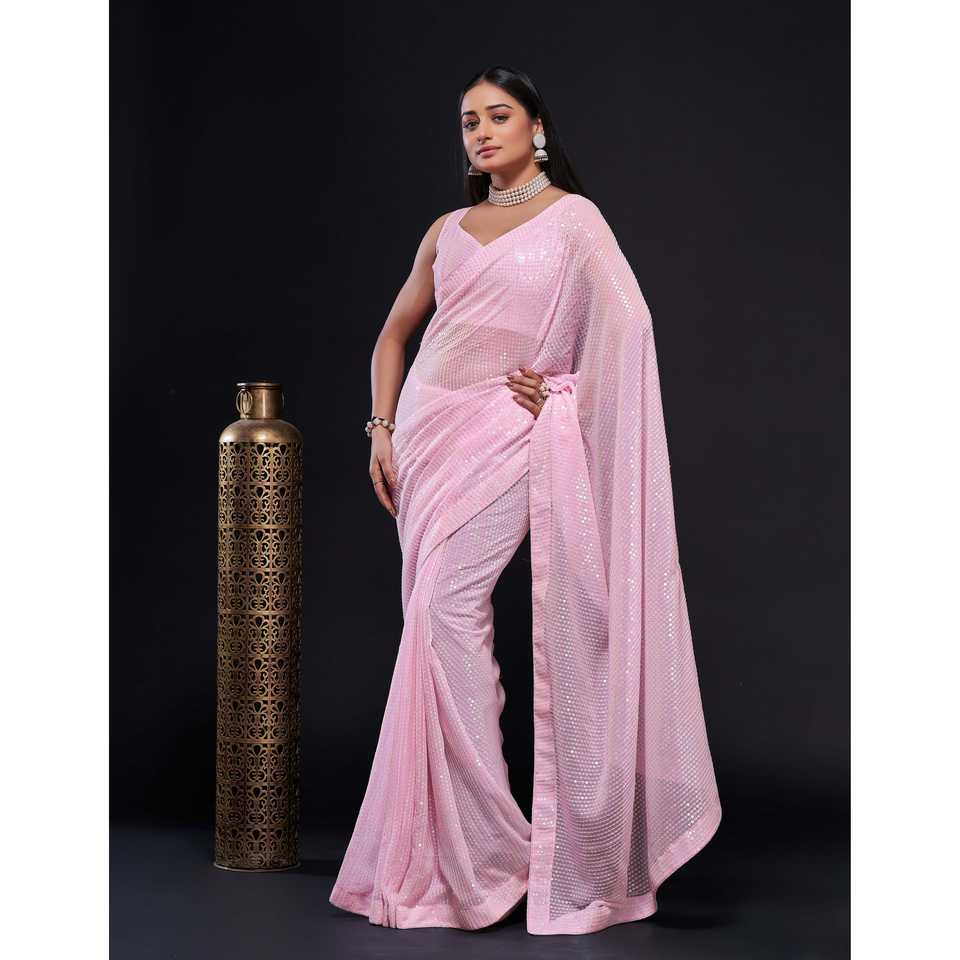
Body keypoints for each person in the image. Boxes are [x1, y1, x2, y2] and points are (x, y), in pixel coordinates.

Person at [329, 65, 722, 936]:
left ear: (536, 127)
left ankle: (494, 850)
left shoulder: (575, 220)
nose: (480, 131)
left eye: (498, 115)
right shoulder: (447, 229)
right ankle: (464, 855)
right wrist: (381, 428)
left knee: (446, 610)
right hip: (428, 433)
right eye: (468, 120)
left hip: (510, 431)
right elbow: (394, 336)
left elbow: (630, 328)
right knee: (433, 624)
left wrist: (567, 393)